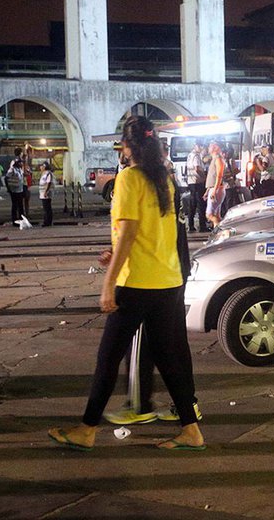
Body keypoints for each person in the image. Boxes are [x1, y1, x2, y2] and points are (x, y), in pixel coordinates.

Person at [48, 115, 204, 452]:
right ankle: (191, 430)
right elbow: (150, 232)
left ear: (128, 146)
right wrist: (113, 251)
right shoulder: (165, 179)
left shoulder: (129, 178)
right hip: (168, 280)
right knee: (168, 357)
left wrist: (108, 283)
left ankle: (87, 430)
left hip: (136, 284)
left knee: (109, 357)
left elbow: (131, 232)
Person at [184, 141, 207, 232]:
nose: (202, 149)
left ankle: (191, 225)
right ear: (197, 146)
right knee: (201, 205)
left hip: (191, 182)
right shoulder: (196, 156)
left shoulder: (190, 155)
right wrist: (204, 177)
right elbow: (197, 168)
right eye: (201, 147)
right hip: (198, 182)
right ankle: (202, 226)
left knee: (192, 205)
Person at [204, 141, 225, 229]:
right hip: (214, 189)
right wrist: (207, 191)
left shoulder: (218, 159)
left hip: (216, 189)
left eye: (210, 146)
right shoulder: (214, 159)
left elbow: (219, 175)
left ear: (215, 148)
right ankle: (218, 232)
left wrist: (214, 190)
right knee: (216, 215)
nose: (208, 148)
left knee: (209, 214)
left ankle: (219, 231)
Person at [5, 159, 26, 226]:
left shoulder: (20, 169)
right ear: (16, 163)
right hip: (13, 190)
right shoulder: (12, 169)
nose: (21, 164)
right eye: (20, 162)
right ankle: (15, 220)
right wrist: (8, 188)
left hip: (20, 190)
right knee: (15, 206)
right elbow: (6, 178)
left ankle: (21, 219)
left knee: (20, 206)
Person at [39, 162, 55, 227]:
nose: (40, 167)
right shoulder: (44, 173)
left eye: (41, 166)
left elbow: (49, 183)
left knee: (47, 208)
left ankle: (47, 222)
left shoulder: (48, 173)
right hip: (43, 193)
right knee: (46, 208)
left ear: (44, 166)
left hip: (46, 194)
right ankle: (46, 221)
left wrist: (46, 192)